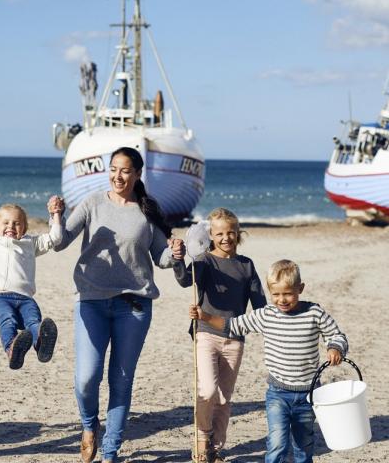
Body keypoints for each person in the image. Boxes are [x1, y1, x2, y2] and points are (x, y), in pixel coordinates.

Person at [51, 146, 186, 463]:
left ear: (137, 174)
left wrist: (176, 252)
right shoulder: (93, 203)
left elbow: (161, 258)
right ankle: (88, 425)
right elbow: (60, 242)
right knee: (87, 377)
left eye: (125, 170)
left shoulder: (146, 211)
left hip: (134, 306)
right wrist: (56, 215)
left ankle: (110, 451)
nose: (118, 176)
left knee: (121, 380)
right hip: (91, 301)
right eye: (113, 169)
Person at [189, 259, 348, 463]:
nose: (282, 299)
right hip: (278, 394)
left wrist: (335, 347)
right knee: (277, 443)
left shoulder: (314, 313)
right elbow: (233, 325)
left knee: (304, 444)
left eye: (288, 293)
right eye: (276, 294)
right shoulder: (266, 315)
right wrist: (205, 316)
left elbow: (337, 335)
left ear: (300, 288)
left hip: (308, 395)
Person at [175, 208, 267, 463]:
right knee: (207, 390)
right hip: (205, 334)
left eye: (231, 232)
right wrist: (177, 259)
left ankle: (215, 449)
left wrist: (272, 323)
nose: (226, 238)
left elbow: (260, 306)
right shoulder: (205, 261)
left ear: (239, 234)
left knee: (224, 398)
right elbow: (185, 279)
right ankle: (202, 439)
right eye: (219, 234)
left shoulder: (246, 265)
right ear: (211, 236)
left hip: (235, 338)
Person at [0, 186, 63, 369]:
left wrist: (56, 215)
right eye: (5, 223)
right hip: (0, 298)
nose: (11, 227)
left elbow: (56, 238)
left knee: (34, 322)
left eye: (17, 223)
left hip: (26, 299)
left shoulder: (30, 243)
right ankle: (12, 350)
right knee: (8, 321)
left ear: (25, 228)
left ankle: (41, 344)